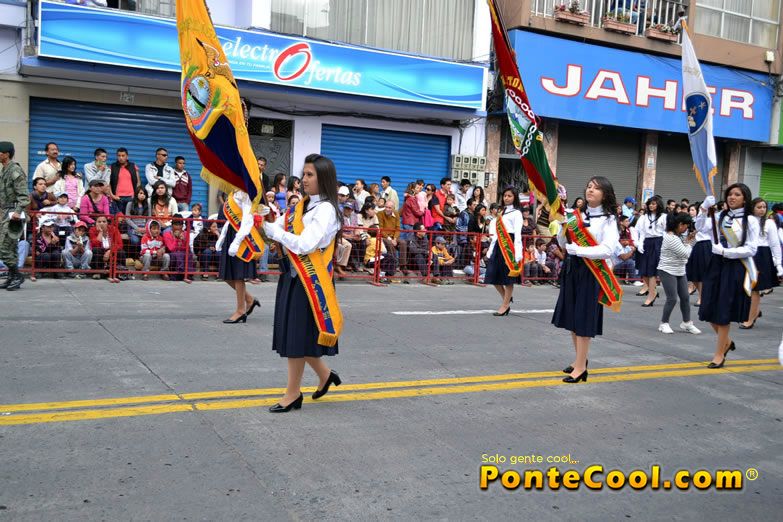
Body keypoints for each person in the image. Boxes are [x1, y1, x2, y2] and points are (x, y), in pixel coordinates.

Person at [260, 153, 343, 413]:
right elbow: (280, 227)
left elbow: (306, 244)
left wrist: (276, 232)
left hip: (311, 281)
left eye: (310, 175)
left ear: (323, 178)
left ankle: (293, 394)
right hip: (293, 277)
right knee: (299, 335)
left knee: (296, 338)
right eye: (303, 174)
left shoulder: (326, 209)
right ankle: (325, 375)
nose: (303, 179)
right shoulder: (302, 206)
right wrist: (265, 216)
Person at [552, 176, 621, 383]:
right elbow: (564, 243)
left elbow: (608, 249)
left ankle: (581, 368)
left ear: (605, 195)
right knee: (573, 318)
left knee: (583, 319)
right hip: (572, 268)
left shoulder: (609, 219)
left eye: (596, 188)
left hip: (592, 272)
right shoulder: (575, 215)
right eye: (589, 186)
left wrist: (579, 250)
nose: (590, 190)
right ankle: (579, 360)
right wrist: (561, 229)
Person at [698, 184, 759, 368]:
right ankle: (727, 342)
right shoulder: (720, 216)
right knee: (707, 307)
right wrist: (703, 209)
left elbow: (751, 249)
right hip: (716, 264)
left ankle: (719, 354)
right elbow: (700, 227)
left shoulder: (750, 220)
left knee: (723, 310)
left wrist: (726, 252)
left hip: (735, 266)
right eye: (730, 194)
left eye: (737, 194)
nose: (732, 197)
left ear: (745, 198)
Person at [215, 190, 261, 323]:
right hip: (231, 233)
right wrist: (222, 237)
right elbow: (230, 220)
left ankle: (240, 310)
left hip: (241, 236)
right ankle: (249, 300)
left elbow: (247, 219)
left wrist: (237, 241)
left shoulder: (245, 193)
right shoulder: (233, 193)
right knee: (227, 274)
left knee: (237, 274)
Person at [740, 197, 782, 329]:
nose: (762, 209)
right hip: (747, 254)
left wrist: (779, 264)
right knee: (745, 287)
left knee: (755, 289)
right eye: (759, 207)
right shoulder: (746, 220)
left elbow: (775, 244)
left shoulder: (769, 223)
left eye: (764, 207)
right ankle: (755, 312)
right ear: (752, 208)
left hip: (762, 255)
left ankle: (750, 319)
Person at [656, 212, 701, 335]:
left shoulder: (678, 236)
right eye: (686, 225)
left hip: (680, 270)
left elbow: (685, 250)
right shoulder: (671, 238)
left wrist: (688, 242)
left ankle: (687, 323)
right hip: (667, 270)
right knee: (672, 298)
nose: (687, 228)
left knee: (685, 297)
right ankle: (664, 323)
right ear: (680, 224)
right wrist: (689, 243)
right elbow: (685, 254)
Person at [485, 187, 523, 316]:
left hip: (509, 245)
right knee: (493, 274)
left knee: (508, 278)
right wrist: (490, 250)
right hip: (498, 245)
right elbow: (496, 234)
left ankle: (505, 305)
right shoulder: (502, 212)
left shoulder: (517, 213)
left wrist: (518, 252)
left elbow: (518, 234)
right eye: (505, 195)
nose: (506, 198)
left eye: (509, 196)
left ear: (514, 197)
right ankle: (506, 298)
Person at [0, 142, 30, 291]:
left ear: (6, 154)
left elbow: (24, 196)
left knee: (3, 247)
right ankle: (12, 277)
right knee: (11, 247)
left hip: (14, 213)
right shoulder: (4, 170)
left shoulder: (15, 170)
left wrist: (17, 212)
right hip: (6, 212)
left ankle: (17, 275)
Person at [635, 195, 666, 306]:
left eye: (653, 204)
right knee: (644, 270)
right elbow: (641, 232)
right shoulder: (644, 217)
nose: (651, 206)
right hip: (647, 242)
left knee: (652, 270)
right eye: (650, 204)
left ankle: (651, 295)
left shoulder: (663, 216)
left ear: (658, 205)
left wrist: (664, 246)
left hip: (658, 242)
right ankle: (653, 291)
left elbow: (666, 231)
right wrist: (639, 243)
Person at [687, 199, 715, 307]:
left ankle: (702, 297)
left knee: (703, 274)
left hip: (707, 245)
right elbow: (697, 228)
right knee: (693, 273)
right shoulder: (696, 219)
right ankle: (702, 294)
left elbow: (711, 234)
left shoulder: (711, 219)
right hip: (697, 245)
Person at [89, 214, 124, 281]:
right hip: (100, 250)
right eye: (99, 222)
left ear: (107, 223)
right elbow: (94, 244)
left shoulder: (114, 229)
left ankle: (118, 273)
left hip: (111, 250)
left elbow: (120, 244)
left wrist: (109, 251)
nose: (101, 223)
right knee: (96, 250)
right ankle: (98, 272)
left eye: (104, 221)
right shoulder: (92, 230)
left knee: (121, 252)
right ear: (96, 223)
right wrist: (100, 232)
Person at [163, 215, 195, 283]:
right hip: (172, 253)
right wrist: (175, 238)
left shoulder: (186, 233)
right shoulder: (167, 234)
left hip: (183, 252)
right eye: (176, 225)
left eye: (180, 225)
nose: (178, 227)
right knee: (178, 254)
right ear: (172, 225)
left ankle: (188, 274)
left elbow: (187, 248)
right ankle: (178, 274)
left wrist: (183, 240)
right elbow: (171, 248)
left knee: (189, 254)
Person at [110, 148, 141, 214]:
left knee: (129, 216)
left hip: (131, 197)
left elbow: (138, 182)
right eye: (119, 156)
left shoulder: (133, 166)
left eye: (123, 155)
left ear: (127, 156)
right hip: (118, 197)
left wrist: (135, 195)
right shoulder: (112, 167)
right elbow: (108, 183)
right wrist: (112, 195)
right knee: (119, 218)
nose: (121, 158)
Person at [125, 186, 150, 253]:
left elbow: (149, 218)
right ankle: (135, 255)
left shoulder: (148, 205)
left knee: (146, 240)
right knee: (135, 240)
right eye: (140, 193)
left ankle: (142, 254)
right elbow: (127, 219)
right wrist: (137, 228)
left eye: (144, 194)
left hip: (144, 228)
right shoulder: (130, 204)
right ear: (136, 194)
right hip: (133, 227)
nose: (142, 195)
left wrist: (145, 228)